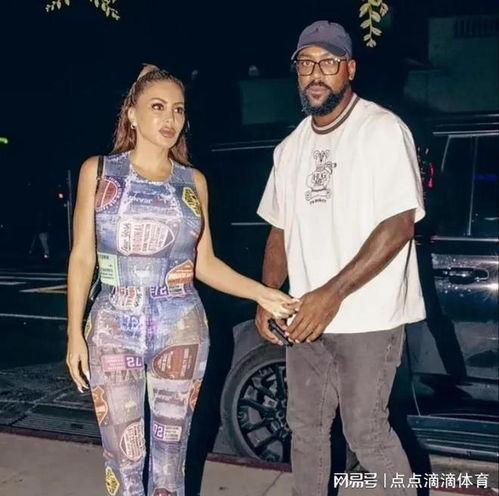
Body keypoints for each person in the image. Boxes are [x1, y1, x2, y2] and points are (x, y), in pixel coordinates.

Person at [66, 64, 297, 496]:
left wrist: (264, 293)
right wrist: (74, 333)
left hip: (182, 327)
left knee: (172, 461)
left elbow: (205, 264)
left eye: (178, 109)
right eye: (157, 107)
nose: (170, 118)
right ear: (132, 114)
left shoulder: (192, 181)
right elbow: (82, 257)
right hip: (113, 326)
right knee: (124, 460)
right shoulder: (98, 172)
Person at [255, 21, 426, 496]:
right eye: (305, 63)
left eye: (327, 63)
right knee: (305, 429)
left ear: (350, 68)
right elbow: (279, 228)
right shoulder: (290, 148)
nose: (315, 73)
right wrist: (268, 295)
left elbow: (400, 225)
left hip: (368, 318)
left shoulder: (382, 130)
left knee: (365, 432)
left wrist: (330, 295)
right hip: (304, 318)